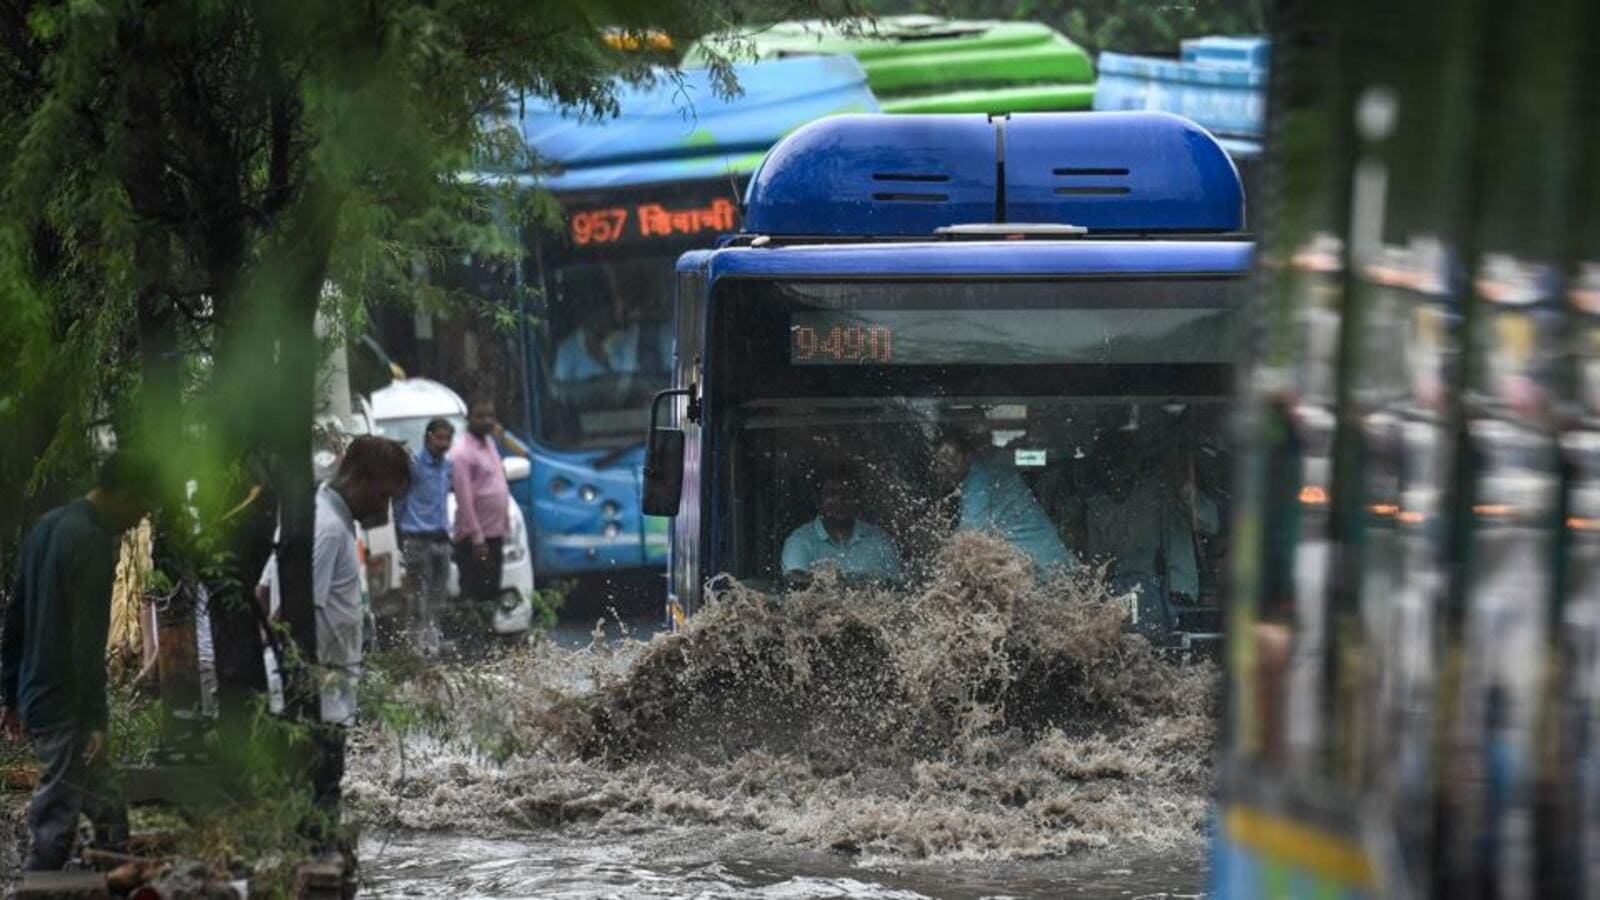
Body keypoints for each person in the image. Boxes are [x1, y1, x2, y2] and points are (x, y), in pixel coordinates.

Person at [1, 452, 153, 870]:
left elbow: (15, 616)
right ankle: (35, 888)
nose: (135, 519)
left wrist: (11, 693)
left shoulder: (45, 527)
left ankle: (116, 878)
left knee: (108, 808)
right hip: (64, 705)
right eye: (138, 507)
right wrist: (95, 721)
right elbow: (86, 643)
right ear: (121, 494)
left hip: (38, 695)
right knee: (55, 823)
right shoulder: (90, 542)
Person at [260, 435, 410, 849]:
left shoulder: (325, 518)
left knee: (313, 813)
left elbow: (263, 595)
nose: (385, 508)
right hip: (313, 703)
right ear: (360, 479)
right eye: (384, 495)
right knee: (316, 817)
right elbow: (288, 616)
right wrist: (300, 684)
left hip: (321, 697)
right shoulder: (325, 528)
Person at [1078, 435, 1220, 641]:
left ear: (1136, 464)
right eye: (1109, 464)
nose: (1116, 471)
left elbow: (1211, 523)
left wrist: (1181, 484)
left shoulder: (1164, 495)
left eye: (1123, 461)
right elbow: (1095, 563)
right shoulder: (1097, 508)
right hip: (1122, 601)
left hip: (1179, 603)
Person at [931, 429, 1076, 574]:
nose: (943, 470)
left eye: (952, 461)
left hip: (1041, 565)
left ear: (968, 455)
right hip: (1051, 557)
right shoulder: (991, 462)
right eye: (940, 464)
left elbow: (968, 540)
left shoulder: (978, 482)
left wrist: (935, 551)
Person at [781, 464, 903, 584]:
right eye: (832, 494)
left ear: (858, 499)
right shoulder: (800, 541)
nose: (840, 501)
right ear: (818, 500)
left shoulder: (880, 540)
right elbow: (793, 579)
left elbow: (896, 587)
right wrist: (836, 583)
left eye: (847, 493)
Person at [394, 418, 454, 655]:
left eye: (448, 438)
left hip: (441, 537)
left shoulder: (447, 466)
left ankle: (433, 642)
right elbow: (399, 500)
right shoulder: (415, 465)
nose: (444, 443)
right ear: (428, 437)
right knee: (418, 597)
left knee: (438, 596)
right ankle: (416, 647)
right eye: (439, 437)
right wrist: (400, 531)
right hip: (417, 538)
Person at [451, 397, 511, 612]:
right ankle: (474, 644)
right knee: (476, 598)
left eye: (490, 416)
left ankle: (489, 643)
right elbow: (464, 499)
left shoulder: (490, 444)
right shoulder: (462, 452)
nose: (486, 421)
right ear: (470, 419)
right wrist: (477, 539)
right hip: (476, 540)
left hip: (495, 535)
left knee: (492, 596)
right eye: (480, 416)